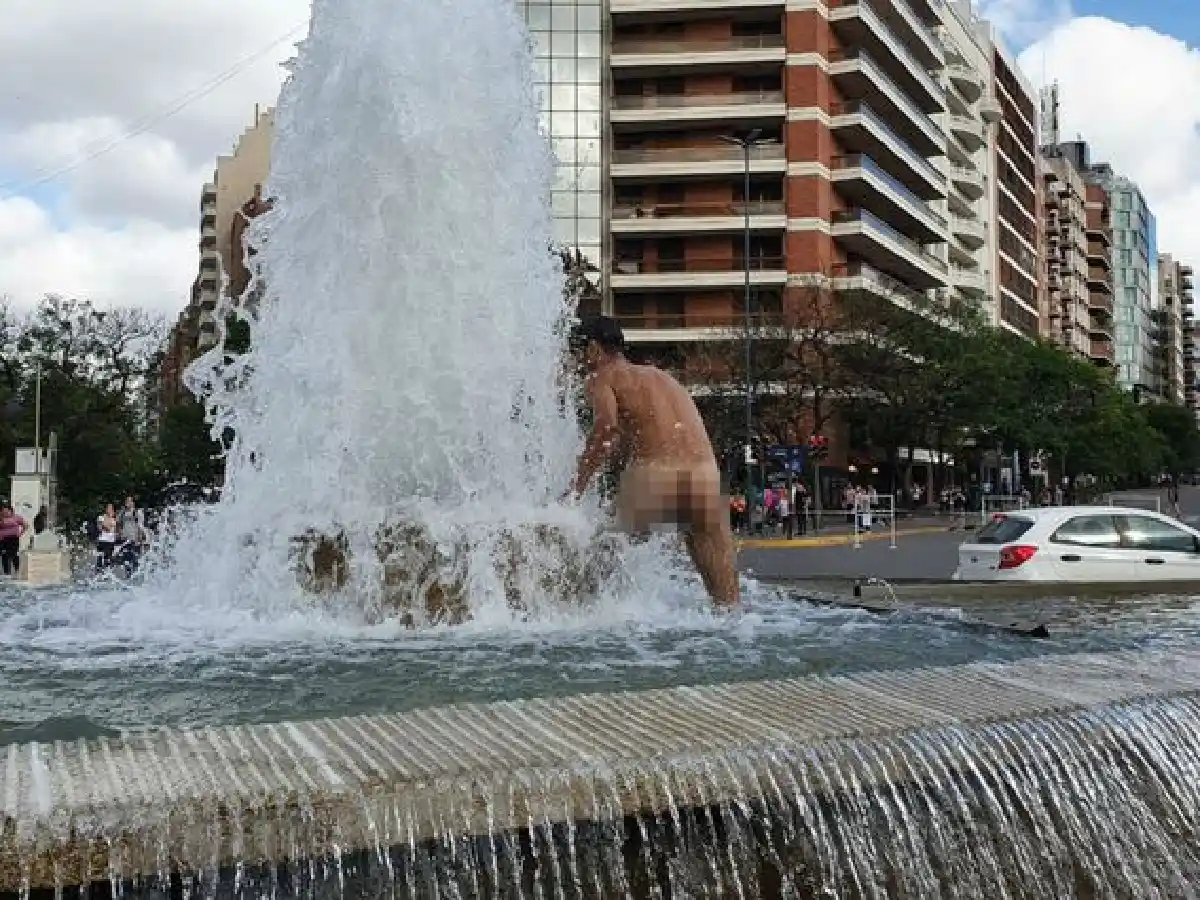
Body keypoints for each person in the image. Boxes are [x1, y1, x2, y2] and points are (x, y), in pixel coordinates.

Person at [566, 316, 739, 608]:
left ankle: (579, 616)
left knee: (606, 550)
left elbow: (606, 429)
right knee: (726, 599)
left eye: (577, 353)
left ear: (594, 349)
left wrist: (577, 485)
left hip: (657, 474)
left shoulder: (602, 377)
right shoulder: (661, 377)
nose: (576, 363)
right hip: (705, 472)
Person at [117, 496, 147, 575]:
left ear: (133, 503)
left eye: (129, 501)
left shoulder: (137, 512)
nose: (127, 503)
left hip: (135, 539)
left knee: (135, 557)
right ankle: (128, 574)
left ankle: (136, 573)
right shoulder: (122, 513)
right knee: (126, 557)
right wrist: (120, 533)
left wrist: (140, 537)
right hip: (126, 539)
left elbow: (140, 525)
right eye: (126, 501)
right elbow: (119, 524)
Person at [0, 503, 26, 576]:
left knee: (14, 554)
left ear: (11, 511)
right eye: (3, 511)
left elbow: (25, 525)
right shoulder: (1, 518)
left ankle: (17, 570)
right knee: (4, 555)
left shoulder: (16, 518)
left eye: (6, 511)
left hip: (14, 539)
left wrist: (21, 533)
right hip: (3, 539)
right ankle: (6, 573)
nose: (5, 513)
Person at [96, 503, 119, 571]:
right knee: (100, 559)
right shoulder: (101, 517)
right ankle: (98, 573)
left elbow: (116, 530)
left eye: (111, 509)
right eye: (108, 508)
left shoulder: (114, 519)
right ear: (106, 509)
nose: (110, 510)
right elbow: (102, 527)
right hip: (102, 541)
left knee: (108, 559)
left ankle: (107, 574)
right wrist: (108, 520)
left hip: (111, 541)